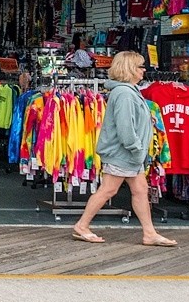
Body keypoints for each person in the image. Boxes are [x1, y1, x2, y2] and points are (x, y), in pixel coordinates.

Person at [69, 50, 176, 247]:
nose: (144, 70)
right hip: (124, 153)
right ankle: (82, 225)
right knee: (109, 190)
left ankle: (149, 233)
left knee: (140, 190)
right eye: (140, 66)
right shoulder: (125, 94)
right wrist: (136, 149)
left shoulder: (128, 91)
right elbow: (125, 127)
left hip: (128, 154)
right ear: (129, 69)